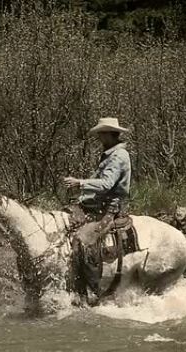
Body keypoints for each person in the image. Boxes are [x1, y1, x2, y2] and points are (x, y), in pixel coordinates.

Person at [63, 117, 131, 300]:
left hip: (109, 208)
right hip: (96, 204)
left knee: (84, 239)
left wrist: (80, 183)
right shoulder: (109, 154)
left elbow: (107, 184)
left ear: (110, 134)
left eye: (102, 133)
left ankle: (94, 290)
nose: (99, 136)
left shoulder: (118, 156)